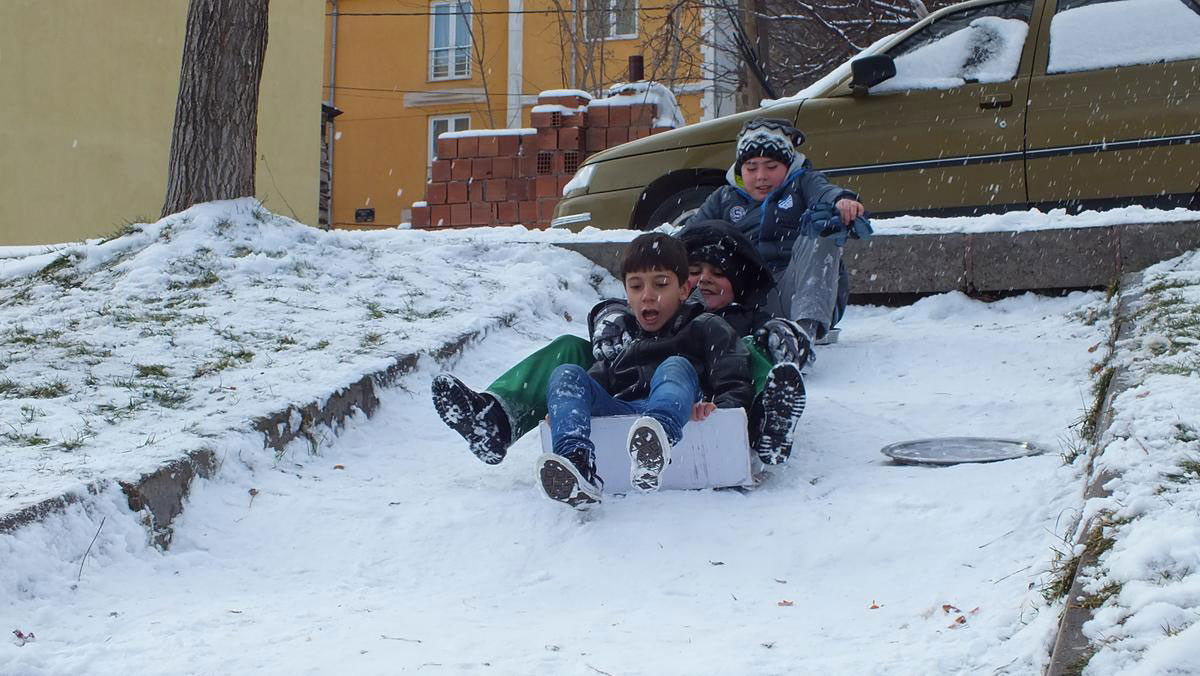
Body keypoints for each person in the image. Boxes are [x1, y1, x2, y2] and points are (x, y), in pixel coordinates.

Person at [432, 220, 808, 469]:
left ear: (682, 289)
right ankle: (496, 419)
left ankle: (762, 423)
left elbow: (734, 369)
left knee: (734, 355)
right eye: (697, 271)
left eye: (718, 274)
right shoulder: (631, 320)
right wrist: (607, 323)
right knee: (567, 355)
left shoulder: (736, 318)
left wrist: (728, 409)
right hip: (627, 394)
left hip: (692, 392)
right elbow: (604, 365)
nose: (705, 280)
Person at [537, 232, 752, 508]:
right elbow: (593, 384)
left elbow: (734, 375)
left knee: (675, 365)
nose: (648, 297)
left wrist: (720, 408)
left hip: (682, 412)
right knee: (566, 374)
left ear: (684, 289)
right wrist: (565, 409)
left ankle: (655, 441)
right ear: (627, 295)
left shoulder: (705, 326)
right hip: (626, 417)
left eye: (661, 284)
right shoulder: (625, 342)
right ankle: (576, 463)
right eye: (636, 287)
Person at [686, 116, 870, 365]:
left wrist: (841, 202)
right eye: (751, 168)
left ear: (788, 164)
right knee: (691, 252)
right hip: (744, 296)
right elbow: (686, 236)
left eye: (771, 167)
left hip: (794, 291)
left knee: (822, 227)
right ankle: (679, 326)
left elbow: (826, 194)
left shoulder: (804, 183)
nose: (761, 176)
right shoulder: (723, 198)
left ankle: (801, 336)